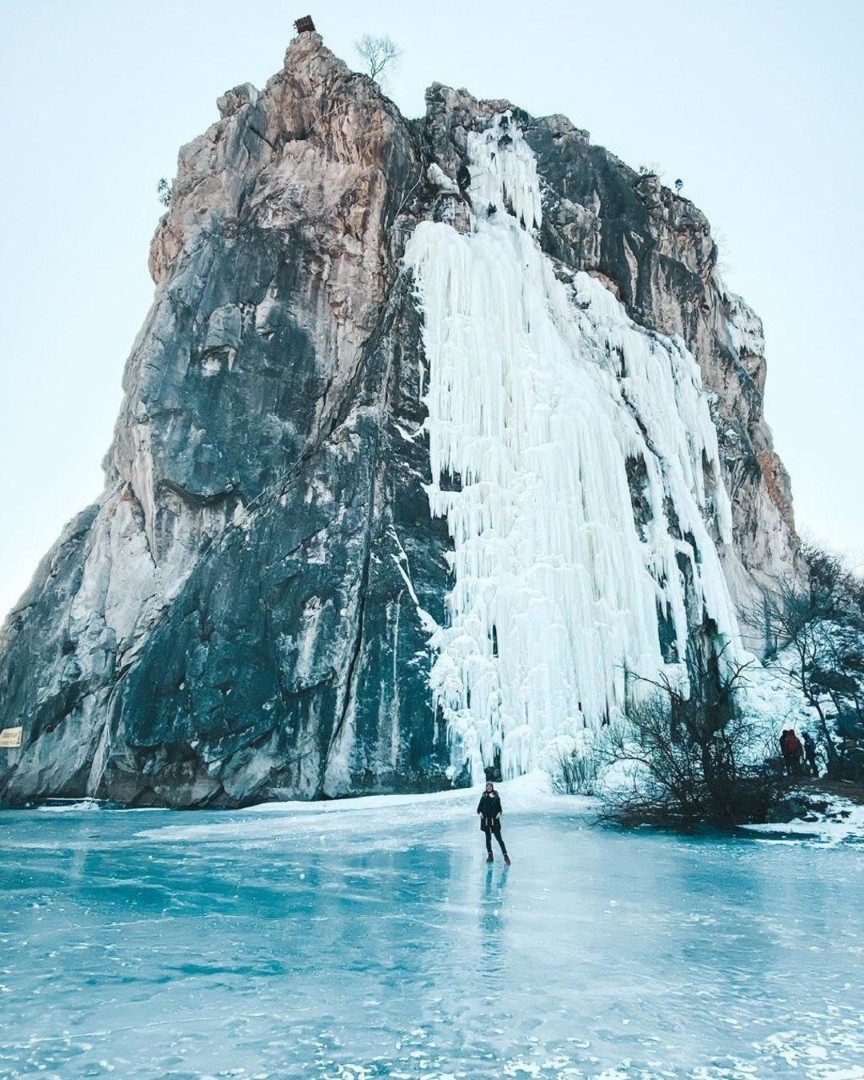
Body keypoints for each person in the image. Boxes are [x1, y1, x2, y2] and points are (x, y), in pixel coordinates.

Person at [477, 781, 511, 864]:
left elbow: (499, 808)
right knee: (488, 839)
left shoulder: (496, 797)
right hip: (486, 821)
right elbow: (479, 808)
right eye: (487, 786)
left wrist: (499, 814)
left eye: (490, 786)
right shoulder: (483, 797)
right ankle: (490, 855)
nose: (489, 788)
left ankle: (505, 855)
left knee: (499, 839)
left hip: (494, 821)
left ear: (492, 787)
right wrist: (480, 813)